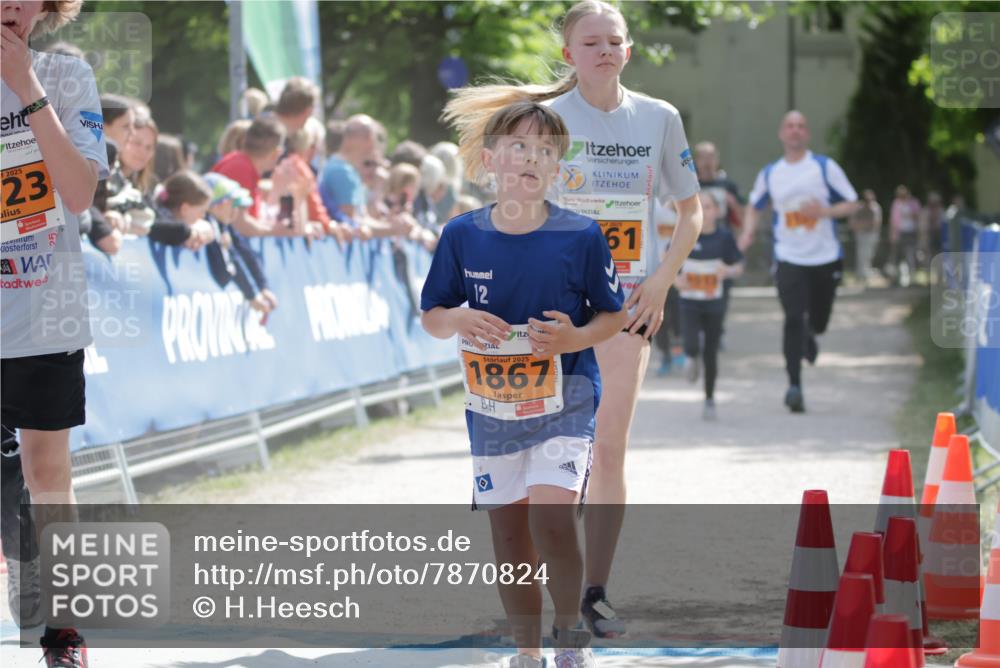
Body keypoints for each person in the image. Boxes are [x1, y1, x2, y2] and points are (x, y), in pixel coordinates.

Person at [443, 0, 703, 637]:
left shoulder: (660, 119)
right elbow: (506, 192)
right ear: (569, 54)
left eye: (615, 41)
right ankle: (536, 591)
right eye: (591, 43)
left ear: (629, 50)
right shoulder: (548, 119)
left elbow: (690, 212)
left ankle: (594, 591)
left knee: (607, 448)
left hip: (623, 305)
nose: (605, 52)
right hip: (550, 306)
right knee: (537, 447)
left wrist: (661, 282)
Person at [424, 100, 627, 668]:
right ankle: (527, 654)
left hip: (567, 398)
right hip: (493, 408)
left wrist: (571, 338)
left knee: (552, 519)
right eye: (519, 146)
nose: (532, 158)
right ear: (491, 160)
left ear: (557, 168)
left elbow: (610, 317)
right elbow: (433, 315)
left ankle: (568, 638)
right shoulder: (462, 235)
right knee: (511, 540)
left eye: (545, 150)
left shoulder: (582, 236)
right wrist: (461, 319)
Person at [2, 1, 110, 665]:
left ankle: (62, 632)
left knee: (48, 474)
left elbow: (78, 193)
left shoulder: (68, 78)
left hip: (44, 305)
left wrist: (28, 89)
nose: (11, 5)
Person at [739, 110, 859, 413]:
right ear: (781, 133)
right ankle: (794, 386)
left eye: (801, 126)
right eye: (790, 126)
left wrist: (825, 213)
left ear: (806, 134)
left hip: (825, 256)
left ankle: (812, 333)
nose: (795, 131)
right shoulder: (771, 172)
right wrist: (748, 232)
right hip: (789, 256)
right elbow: (754, 206)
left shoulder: (823, 167)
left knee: (818, 320)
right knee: (793, 318)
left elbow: (852, 202)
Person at [676, 191, 744, 420]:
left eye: (709, 206)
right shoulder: (685, 233)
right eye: (700, 206)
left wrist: (728, 271)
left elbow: (738, 266)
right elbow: (664, 262)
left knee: (711, 352)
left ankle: (709, 398)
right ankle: (690, 356)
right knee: (693, 344)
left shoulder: (724, 237)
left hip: (715, 302)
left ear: (718, 211)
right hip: (690, 302)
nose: (705, 211)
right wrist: (677, 281)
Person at [848, 189, 882, 287]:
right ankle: (861, 277)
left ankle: (865, 276)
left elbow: (875, 224)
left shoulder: (875, 208)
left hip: (871, 235)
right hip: (862, 235)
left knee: (869, 255)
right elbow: (853, 223)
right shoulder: (859, 208)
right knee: (861, 255)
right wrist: (862, 226)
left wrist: (864, 225)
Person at [889, 184, 920, 286]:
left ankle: (912, 278)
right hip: (899, 233)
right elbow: (893, 220)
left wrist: (909, 215)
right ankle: (899, 279)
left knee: (910, 255)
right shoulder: (896, 204)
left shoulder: (913, 203)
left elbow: (918, 215)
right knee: (898, 257)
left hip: (910, 233)